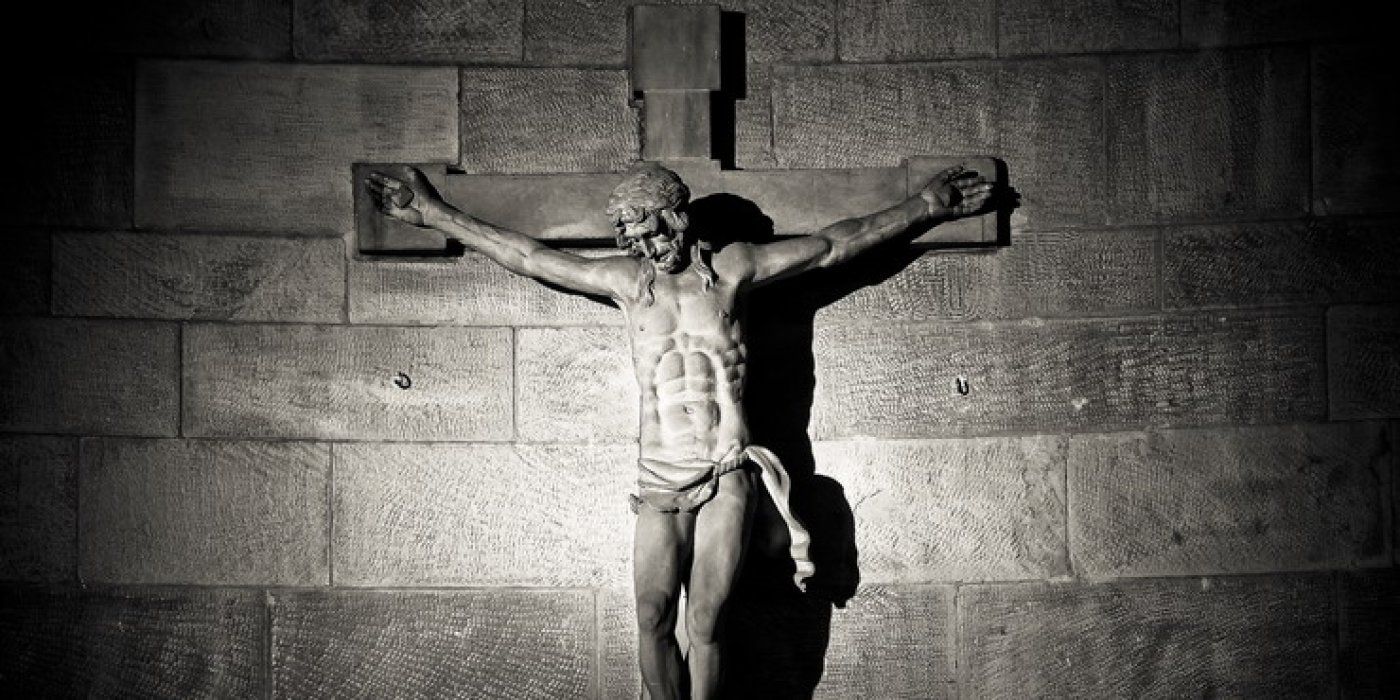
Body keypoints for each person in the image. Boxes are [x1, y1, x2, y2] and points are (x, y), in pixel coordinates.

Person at [365, 162, 994, 699]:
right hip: (659, 476)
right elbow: (530, 256)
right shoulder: (629, 284)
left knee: (708, 619)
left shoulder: (734, 270)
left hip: (726, 470)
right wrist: (435, 213)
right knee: (650, 615)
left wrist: (924, 207)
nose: (646, 248)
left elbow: (833, 244)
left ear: (678, 217)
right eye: (634, 240)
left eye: (652, 232)